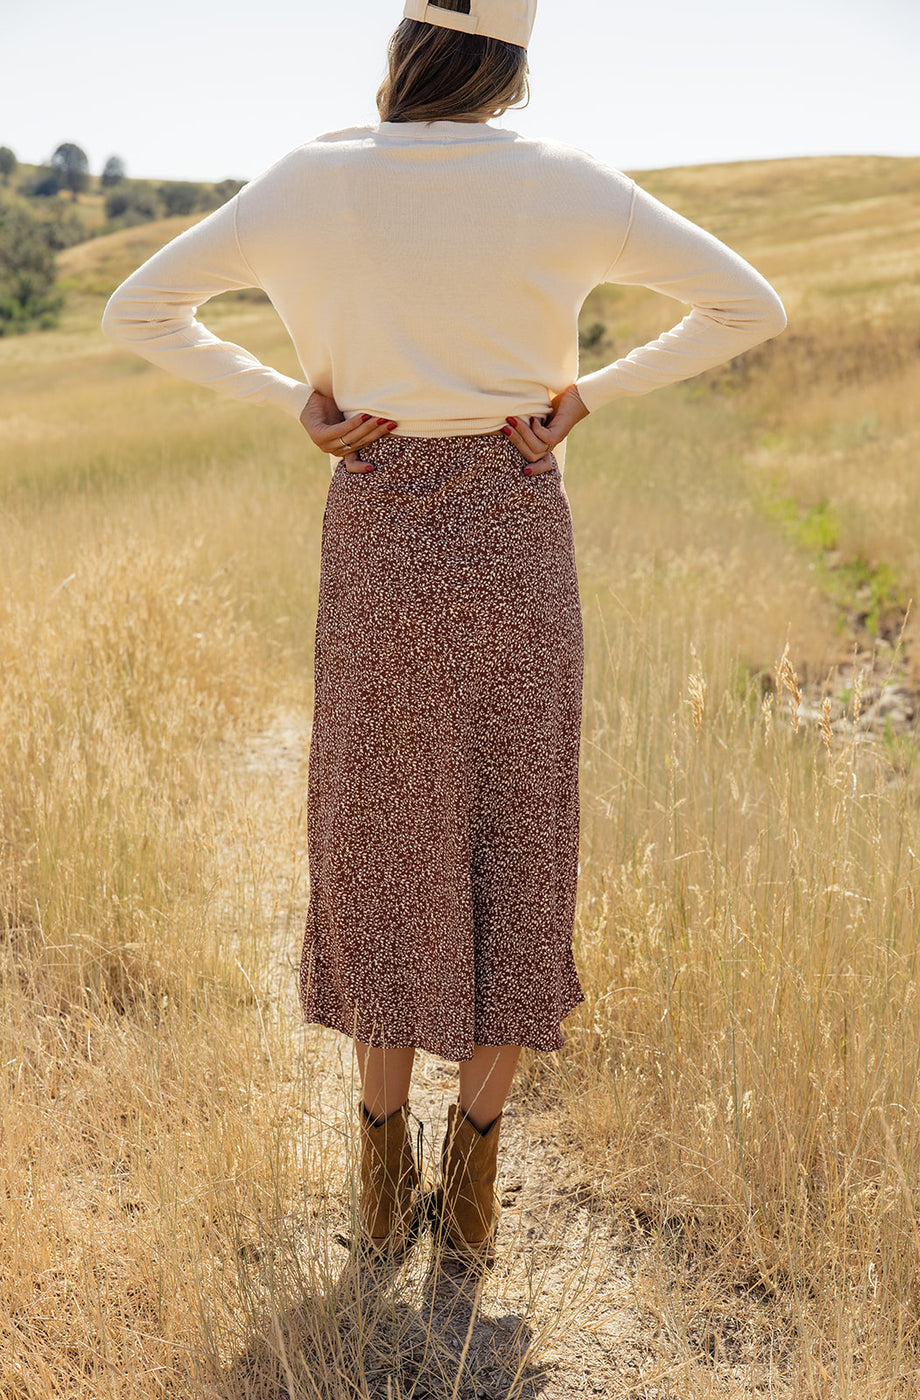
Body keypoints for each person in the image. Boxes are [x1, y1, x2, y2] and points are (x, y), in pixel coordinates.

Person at [101, 0, 786, 1272]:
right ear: (513, 64)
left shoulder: (310, 177)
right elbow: (747, 306)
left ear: (403, 48)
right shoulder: (566, 180)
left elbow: (138, 313)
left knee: (380, 833)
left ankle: (378, 1172)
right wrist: (587, 394)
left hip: (376, 536)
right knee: (516, 831)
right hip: (520, 533)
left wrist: (292, 400)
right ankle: (470, 1186)